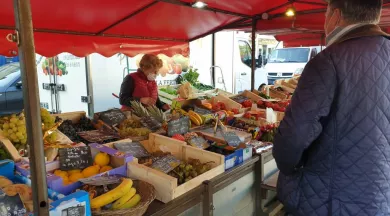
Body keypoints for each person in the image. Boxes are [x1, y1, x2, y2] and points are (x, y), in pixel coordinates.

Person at [273, 0, 390, 215]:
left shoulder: (327, 61)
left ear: (335, 16)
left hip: (330, 201)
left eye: (326, 15)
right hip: (380, 198)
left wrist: (287, 165)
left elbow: (292, 142)